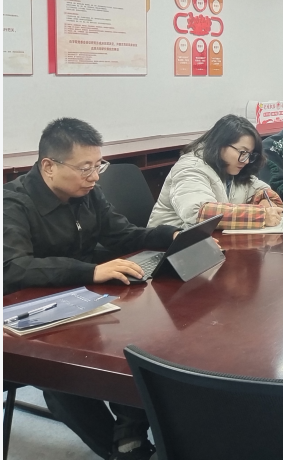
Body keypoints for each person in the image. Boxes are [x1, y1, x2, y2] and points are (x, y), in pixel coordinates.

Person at [3, 118, 180, 460]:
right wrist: (91, 270)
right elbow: (13, 268)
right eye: (85, 168)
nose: (95, 176)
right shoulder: (12, 203)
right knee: (61, 379)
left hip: (83, 301)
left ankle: (129, 434)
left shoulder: (87, 193)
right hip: (27, 314)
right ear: (49, 166)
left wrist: (169, 235)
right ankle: (122, 451)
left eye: (99, 165)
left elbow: (122, 235)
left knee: (138, 343)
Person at [148, 114, 283, 230]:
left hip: (207, 244)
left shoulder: (232, 168)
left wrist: (266, 204)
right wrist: (261, 216)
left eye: (250, 155)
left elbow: (262, 191)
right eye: (243, 152)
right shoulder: (190, 168)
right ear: (220, 145)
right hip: (167, 247)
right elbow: (200, 213)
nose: (246, 161)